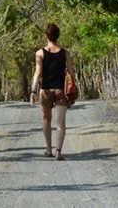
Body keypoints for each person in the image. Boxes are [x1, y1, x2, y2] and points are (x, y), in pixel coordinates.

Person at [30, 22, 73, 160]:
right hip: (61, 90)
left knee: (46, 119)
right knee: (60, 123)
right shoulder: (65, 53)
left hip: (46, 90)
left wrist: (33, 91)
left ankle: (48, 149)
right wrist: (73, 91)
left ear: (46, 36)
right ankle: (58, 151)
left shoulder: (40, 53)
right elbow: (71, 73)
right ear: (58, 36)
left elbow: (37, 73)